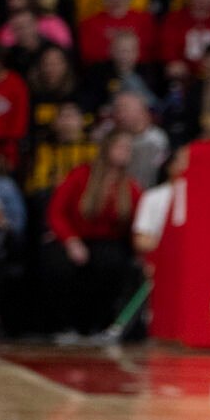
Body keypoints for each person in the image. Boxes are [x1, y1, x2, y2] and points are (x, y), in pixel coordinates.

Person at [42, 130, 141, 337]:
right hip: (74, 237)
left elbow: (137, 221)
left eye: (128, 149)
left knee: (111, 262)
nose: (125, 152)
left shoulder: (130, 186)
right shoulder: (80, 175)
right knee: (59, 263)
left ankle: (97, 324)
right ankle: (64, 325)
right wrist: (70, 241)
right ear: (107, 149)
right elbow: (56, 212)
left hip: (108, 242)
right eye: (120, 147)